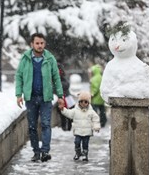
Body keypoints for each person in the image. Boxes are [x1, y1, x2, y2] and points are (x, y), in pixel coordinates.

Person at [15, 33, 65, 162]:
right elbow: (19, 76)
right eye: (37, 43)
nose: (40, 46)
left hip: (45, 98)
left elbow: (56, 78)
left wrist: (60, 96)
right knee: (32, 126)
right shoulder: (25, 58)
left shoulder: (50, 58)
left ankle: (45, 151)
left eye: (42, 43)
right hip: (30, 98)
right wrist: (18, 95)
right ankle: (36, 152)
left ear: (45, 44)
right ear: (32, 44)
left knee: (46, 124)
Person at [58, 91, 100, 161]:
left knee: (85, 144)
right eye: (81, 101)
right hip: (78, 132)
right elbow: (69, 113)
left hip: (87, 132)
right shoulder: (75, 110)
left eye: (86, 102)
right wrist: (63, 109)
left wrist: (96, 126)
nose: (83, 103)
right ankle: (78, 153)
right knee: (77, 142)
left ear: (88, 103)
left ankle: (85, 154)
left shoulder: (91, 112)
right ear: (79, 102)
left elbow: (96, 119)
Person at [57, 63, 73, 131]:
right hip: (60, 98)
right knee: (62, 113)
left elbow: (66, 85)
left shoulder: (62, 77)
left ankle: (68, 126)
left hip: (66, 97)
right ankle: (64, 127)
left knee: (68, 112)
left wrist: (59, 85)